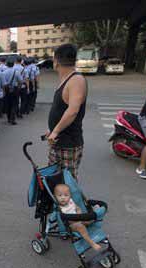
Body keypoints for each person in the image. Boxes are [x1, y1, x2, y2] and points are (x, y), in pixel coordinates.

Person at [46, 44, 87, 181]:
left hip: (68, 143)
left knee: (67, 185)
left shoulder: (76, 80)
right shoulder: (67, 79)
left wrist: (56, 131)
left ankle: (71, 203)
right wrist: (51, 129)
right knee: (55, 181)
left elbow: (72, 111)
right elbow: (61, 108)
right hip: (58, 142)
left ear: (56, 61)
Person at [54, 184, 101, 251]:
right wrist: (78, 218)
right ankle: (92, 243)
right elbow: (67, 220)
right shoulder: (60, 208)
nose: (63, 198)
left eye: (66, 195)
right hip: (72, 224)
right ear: (55, 197)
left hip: (79, 218)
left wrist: (79, 214)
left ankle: (99, 234)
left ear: (70, 196)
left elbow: (77, 208)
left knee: (92, 218)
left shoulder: (70, 201)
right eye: (60, 195)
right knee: (80, 227)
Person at [3, 56, 23, 125]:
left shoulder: (4, 72)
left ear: (7, 64)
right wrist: (19, 88)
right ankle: (12, 119)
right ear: (13, 64)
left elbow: (3, 83)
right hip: (15, 89)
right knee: (14, 104)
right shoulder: (16, 72)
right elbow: (20, 81)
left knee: (8, 104)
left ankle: (8, 118)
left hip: (7, 89)